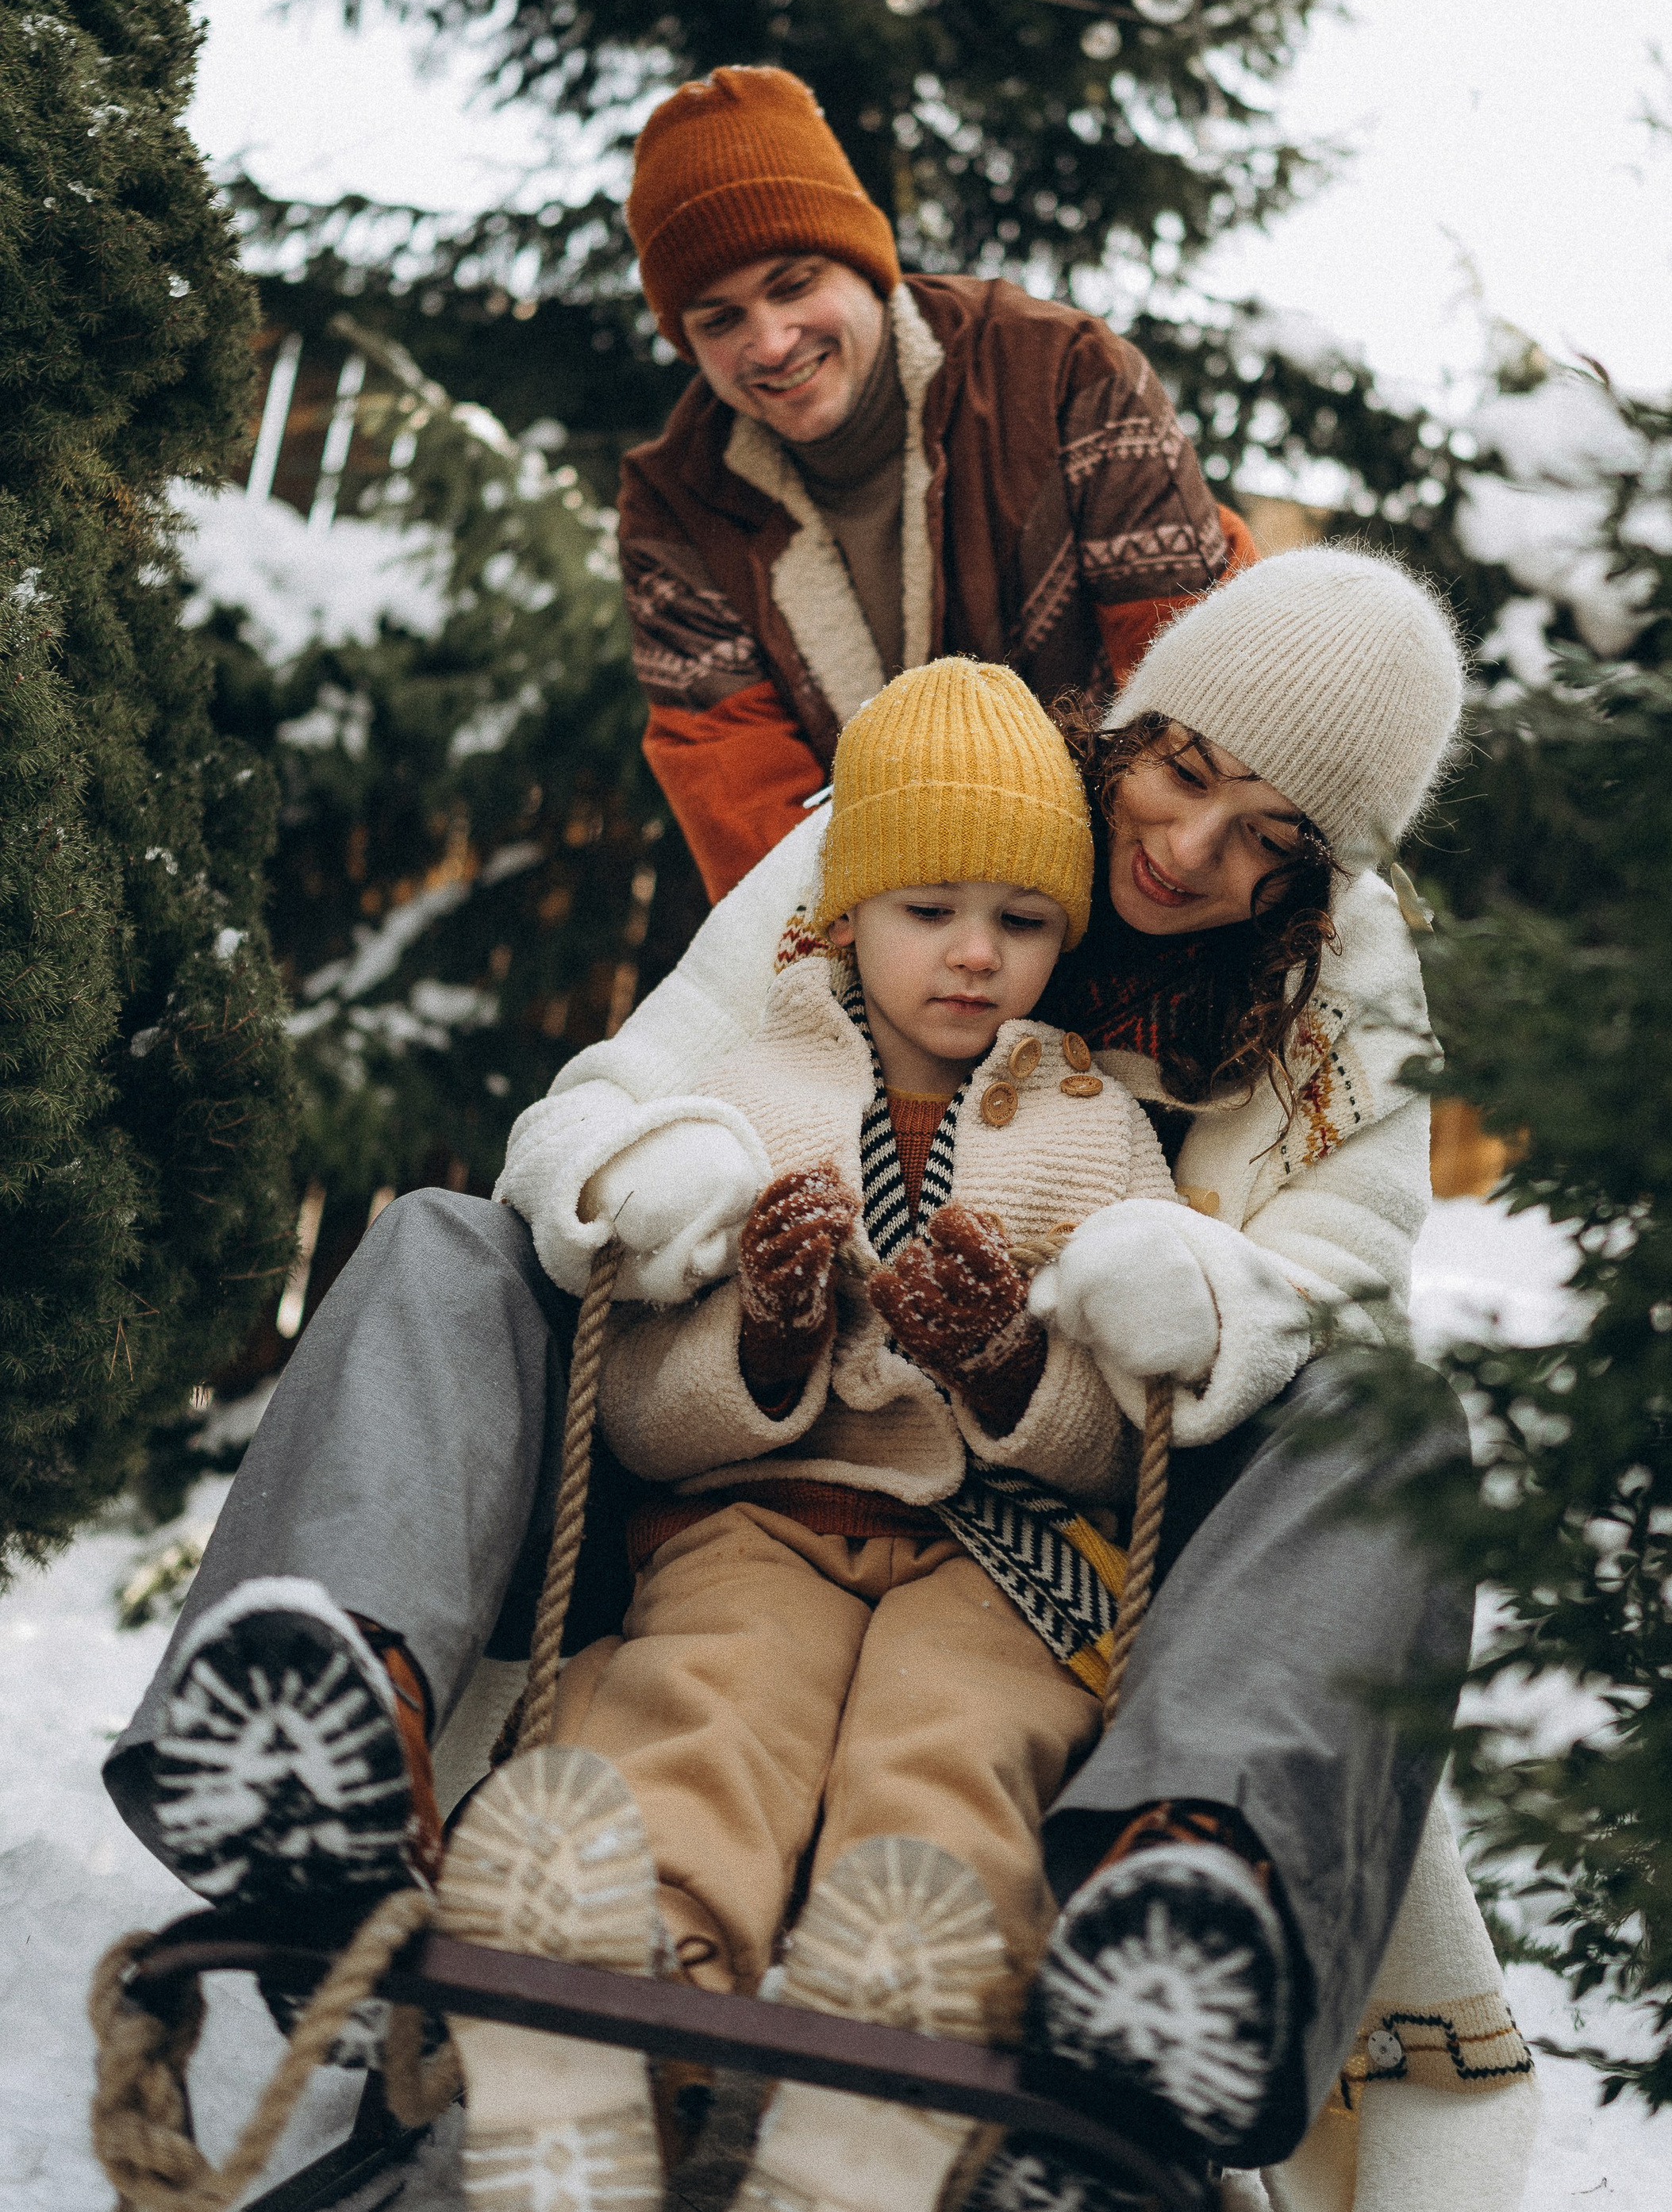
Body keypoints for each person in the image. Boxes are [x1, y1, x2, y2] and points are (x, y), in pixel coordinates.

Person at [104, 550, 1540, 2212]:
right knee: (454, 1254)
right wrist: (667, 1170)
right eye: (1183, 771)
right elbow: (622, 1086)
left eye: (1265, 843)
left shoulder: (1336, 994)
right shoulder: (944, 803)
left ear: (1319, 873)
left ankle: (1171, 1926)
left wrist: (1198, 1295)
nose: (1187, 848)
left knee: (1326, 1472)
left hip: (1074, 1529)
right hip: (739, 1458)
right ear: (1135, 720)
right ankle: (335, 1724)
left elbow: (1343, 1293)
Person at [509, 653, 1280, 2212]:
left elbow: (1117, 1440)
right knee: (710, 1695)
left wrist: (1005, 1367)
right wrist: (772, 1332)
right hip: (757, 1509)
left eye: (1021, 920)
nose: (973, 956)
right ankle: (639, 1979)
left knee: (958, 1745)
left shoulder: (1094, 1125)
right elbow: (642, 1417)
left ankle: (901, 2028)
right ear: (845, 907)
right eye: (928, 909)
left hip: (992, 1557)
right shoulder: (745, 1088)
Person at [614, 62, 1253, 901]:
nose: (769, 342)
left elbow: (1203, 693)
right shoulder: (676, 511)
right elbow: (751, 824)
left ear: (865, 264)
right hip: (894, 945)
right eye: (720, 318)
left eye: (794, 283)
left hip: (1140, 884)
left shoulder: (1062, 377)